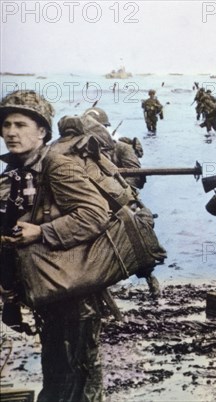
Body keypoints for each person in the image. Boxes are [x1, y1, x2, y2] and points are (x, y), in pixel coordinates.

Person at [0, 90, 110, 401]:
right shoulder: (16, 170)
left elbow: (94, 214)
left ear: (42, 131)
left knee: (81, 375)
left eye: (21, 124)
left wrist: (42, 232)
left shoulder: (57, 164)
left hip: (74, 287)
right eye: (6, 125)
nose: (10, 132)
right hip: (46, 288)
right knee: (57, 372)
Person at [83, 107, 146, 189]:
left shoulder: (122, 148)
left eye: (96, 129)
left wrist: (118, 191)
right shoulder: (79, 150)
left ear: (104, 128)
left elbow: (135, 176)